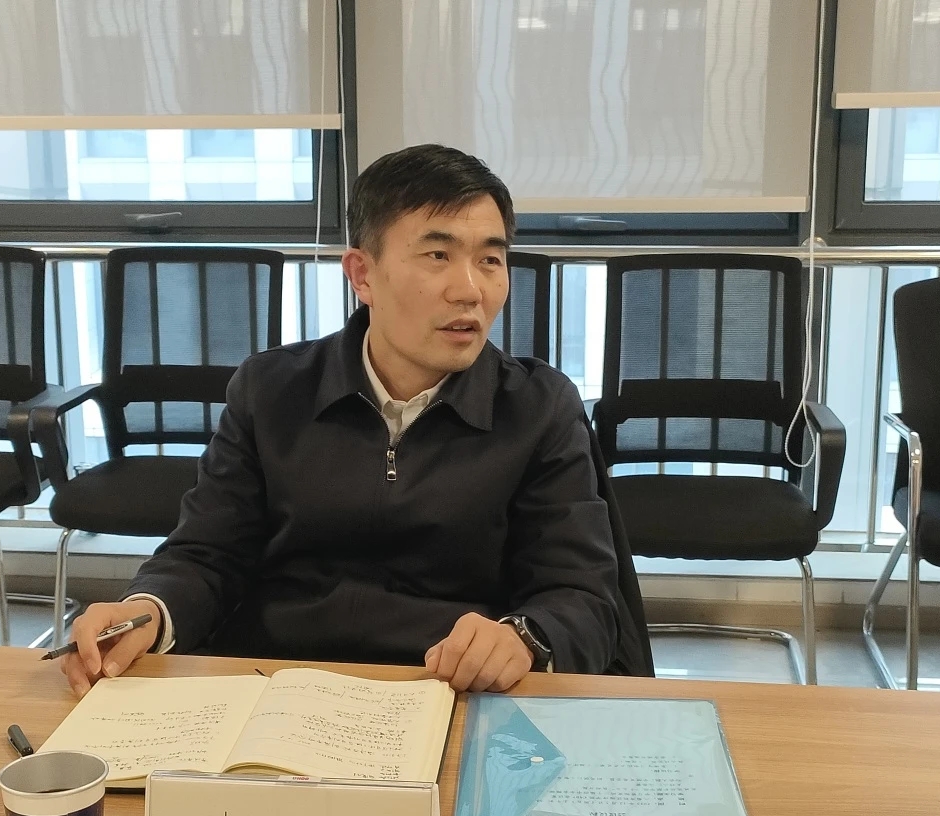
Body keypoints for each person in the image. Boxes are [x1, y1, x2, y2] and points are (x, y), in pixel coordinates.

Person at [60, 144, 624, 696]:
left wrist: (524, 637)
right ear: (362, 274)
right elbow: (207, 555)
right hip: (274, 686)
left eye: (490, 260)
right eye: (437, 255)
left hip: (447, 691)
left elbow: (583, 598)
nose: (470, 290)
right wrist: (146, 611)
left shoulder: (538, 407)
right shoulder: (271, 390)